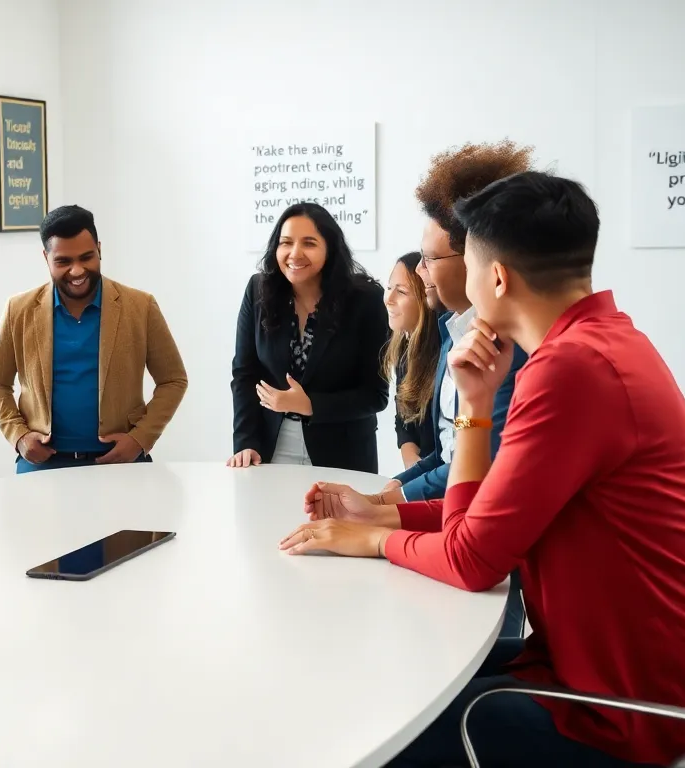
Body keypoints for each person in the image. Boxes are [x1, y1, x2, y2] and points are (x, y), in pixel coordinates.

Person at [283, 172, 685, 767]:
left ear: (495, 277)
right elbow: (485, 520)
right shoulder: (598, 343)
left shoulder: (571, 371)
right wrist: (461, 422)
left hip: (634, 712)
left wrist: (372, 538)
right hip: (623, 671)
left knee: (378, 730)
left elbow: (471, 559)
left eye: (462, 263)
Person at [379, 141, 532, 504]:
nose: (420, 271)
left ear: (475, 256)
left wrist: (392, 509)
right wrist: (391, 492)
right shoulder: (453, 333)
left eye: (428, 259)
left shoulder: (513, 349)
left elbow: (480, 469)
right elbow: (452, 452)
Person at [0, 204, 188, 473]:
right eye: (63, 261)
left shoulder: (141, 306)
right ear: (46, 258)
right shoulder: (18, 310)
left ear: (99, 249)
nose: (77, 270)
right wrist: (19, 437)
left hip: (119, 460)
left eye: (86, 257)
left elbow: (173, 379)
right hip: (42, 463)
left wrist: (141, 438)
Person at [227, 202, 389, 472]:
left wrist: (311, 405)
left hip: (343, 454)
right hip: (270, 448)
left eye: (309, 243)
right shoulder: (258, 291)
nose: (294, 253)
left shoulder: (366, 300)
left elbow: (375, 395)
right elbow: (244, 374)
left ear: (330, 248)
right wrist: (246, 441)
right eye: (286, 242)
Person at [384, 252, 439, 468]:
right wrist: (409, 454)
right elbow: (403, 416)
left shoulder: (447, 355)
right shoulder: (405, 348)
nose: (388, 299)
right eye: (389, 288)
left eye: (402, 292)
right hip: (422, 475)